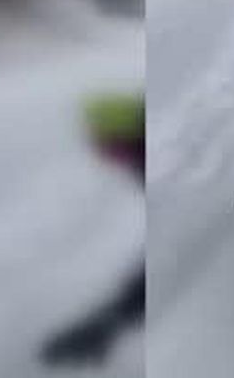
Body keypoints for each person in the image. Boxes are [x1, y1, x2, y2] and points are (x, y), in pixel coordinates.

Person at [41, 93, 145, 366]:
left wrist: (114, 318)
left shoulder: (145, 155)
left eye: (111, 147)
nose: (108, 157)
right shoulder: (137, 154)